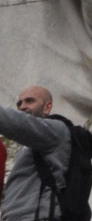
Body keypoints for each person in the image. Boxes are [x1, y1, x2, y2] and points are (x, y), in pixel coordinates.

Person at [0, 89, 73, 221]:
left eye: (29, 101)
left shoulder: (57, 130)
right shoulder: (27, 147)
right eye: (19, 103)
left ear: (47, 107)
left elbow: (16, 123)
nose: (22, 106)